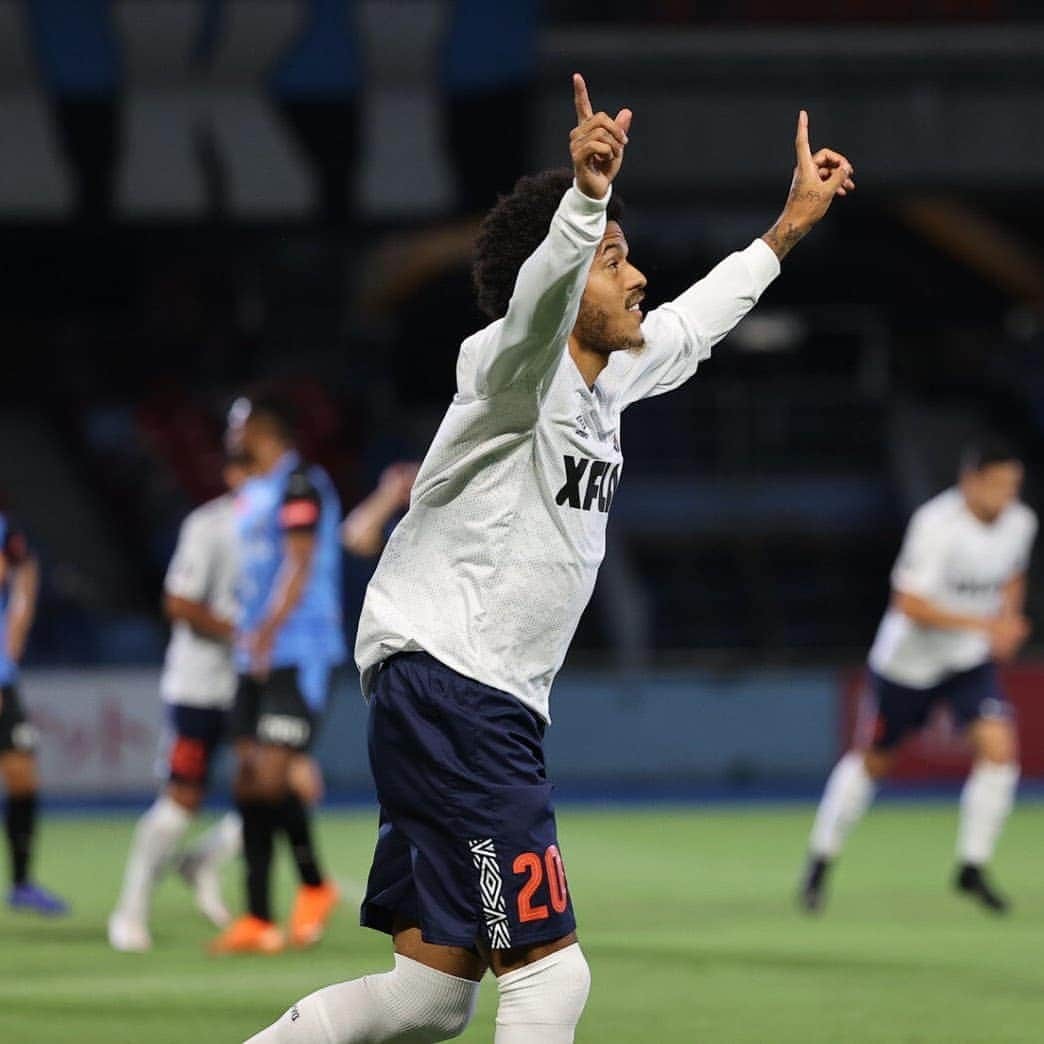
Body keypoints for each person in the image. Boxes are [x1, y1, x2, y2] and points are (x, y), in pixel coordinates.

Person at [245, 73, 853, 1042]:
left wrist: (788, 227)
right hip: (458, 692)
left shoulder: (603, 379)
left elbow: (693, 328)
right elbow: (536, 309)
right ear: (567, 277)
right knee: (550, 981)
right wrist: (585, 204)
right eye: (616, 261)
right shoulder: (502, 373)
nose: (637, 275)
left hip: (464, 698)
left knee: (429, 996)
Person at [801, 440, 1036, 914]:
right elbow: (909, 604)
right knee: (874, 762)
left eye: (1014, 485)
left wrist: (1009, 617)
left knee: (999, 750)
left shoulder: (1020, 522)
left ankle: (972, 866)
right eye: (998, 485)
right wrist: (987, 624)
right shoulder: (936, 524)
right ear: (970, 482)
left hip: (967, 662)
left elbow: (1012, 573)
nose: (1007, 495)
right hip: (907, 666)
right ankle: (821, 857)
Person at [211, 393, 347, 954]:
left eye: (238, 425)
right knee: (248, 779)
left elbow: (300, 561)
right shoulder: (257, 491)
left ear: (262, 429)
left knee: (271, 775)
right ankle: (258, 918)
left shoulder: (299, 486)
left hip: (298, 650)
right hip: (255, 655)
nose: (230, 433)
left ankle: (314, 885)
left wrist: (267, 628)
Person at [108, 457, 246, 952]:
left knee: (284, 789)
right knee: (181, 800)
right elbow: (179, 603)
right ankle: (130, 909)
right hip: (200, 686)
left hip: (253, 682)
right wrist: (246, 634)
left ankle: (203, 859)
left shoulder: (285, 524)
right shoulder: (210, 525)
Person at [0, 511, 67, 915]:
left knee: (23, 776)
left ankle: (22, 882)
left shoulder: (5, 530)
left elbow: (27, 570)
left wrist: (14, 639)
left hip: (3, 679)